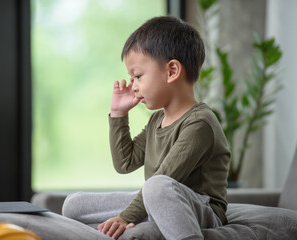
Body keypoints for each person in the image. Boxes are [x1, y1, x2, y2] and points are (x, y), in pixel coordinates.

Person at [62, 16, 231, 240]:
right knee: (73, 205)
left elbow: (166, 177)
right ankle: (153, 215)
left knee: (157, 186)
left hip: (202, 208)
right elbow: (125, 163)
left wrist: (126, 216)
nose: (133, 87)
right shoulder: (156, 120)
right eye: (131, 78)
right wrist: (118, 114)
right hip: (157, 199)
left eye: (138, 76)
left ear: (172, 71)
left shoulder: (200, 123)